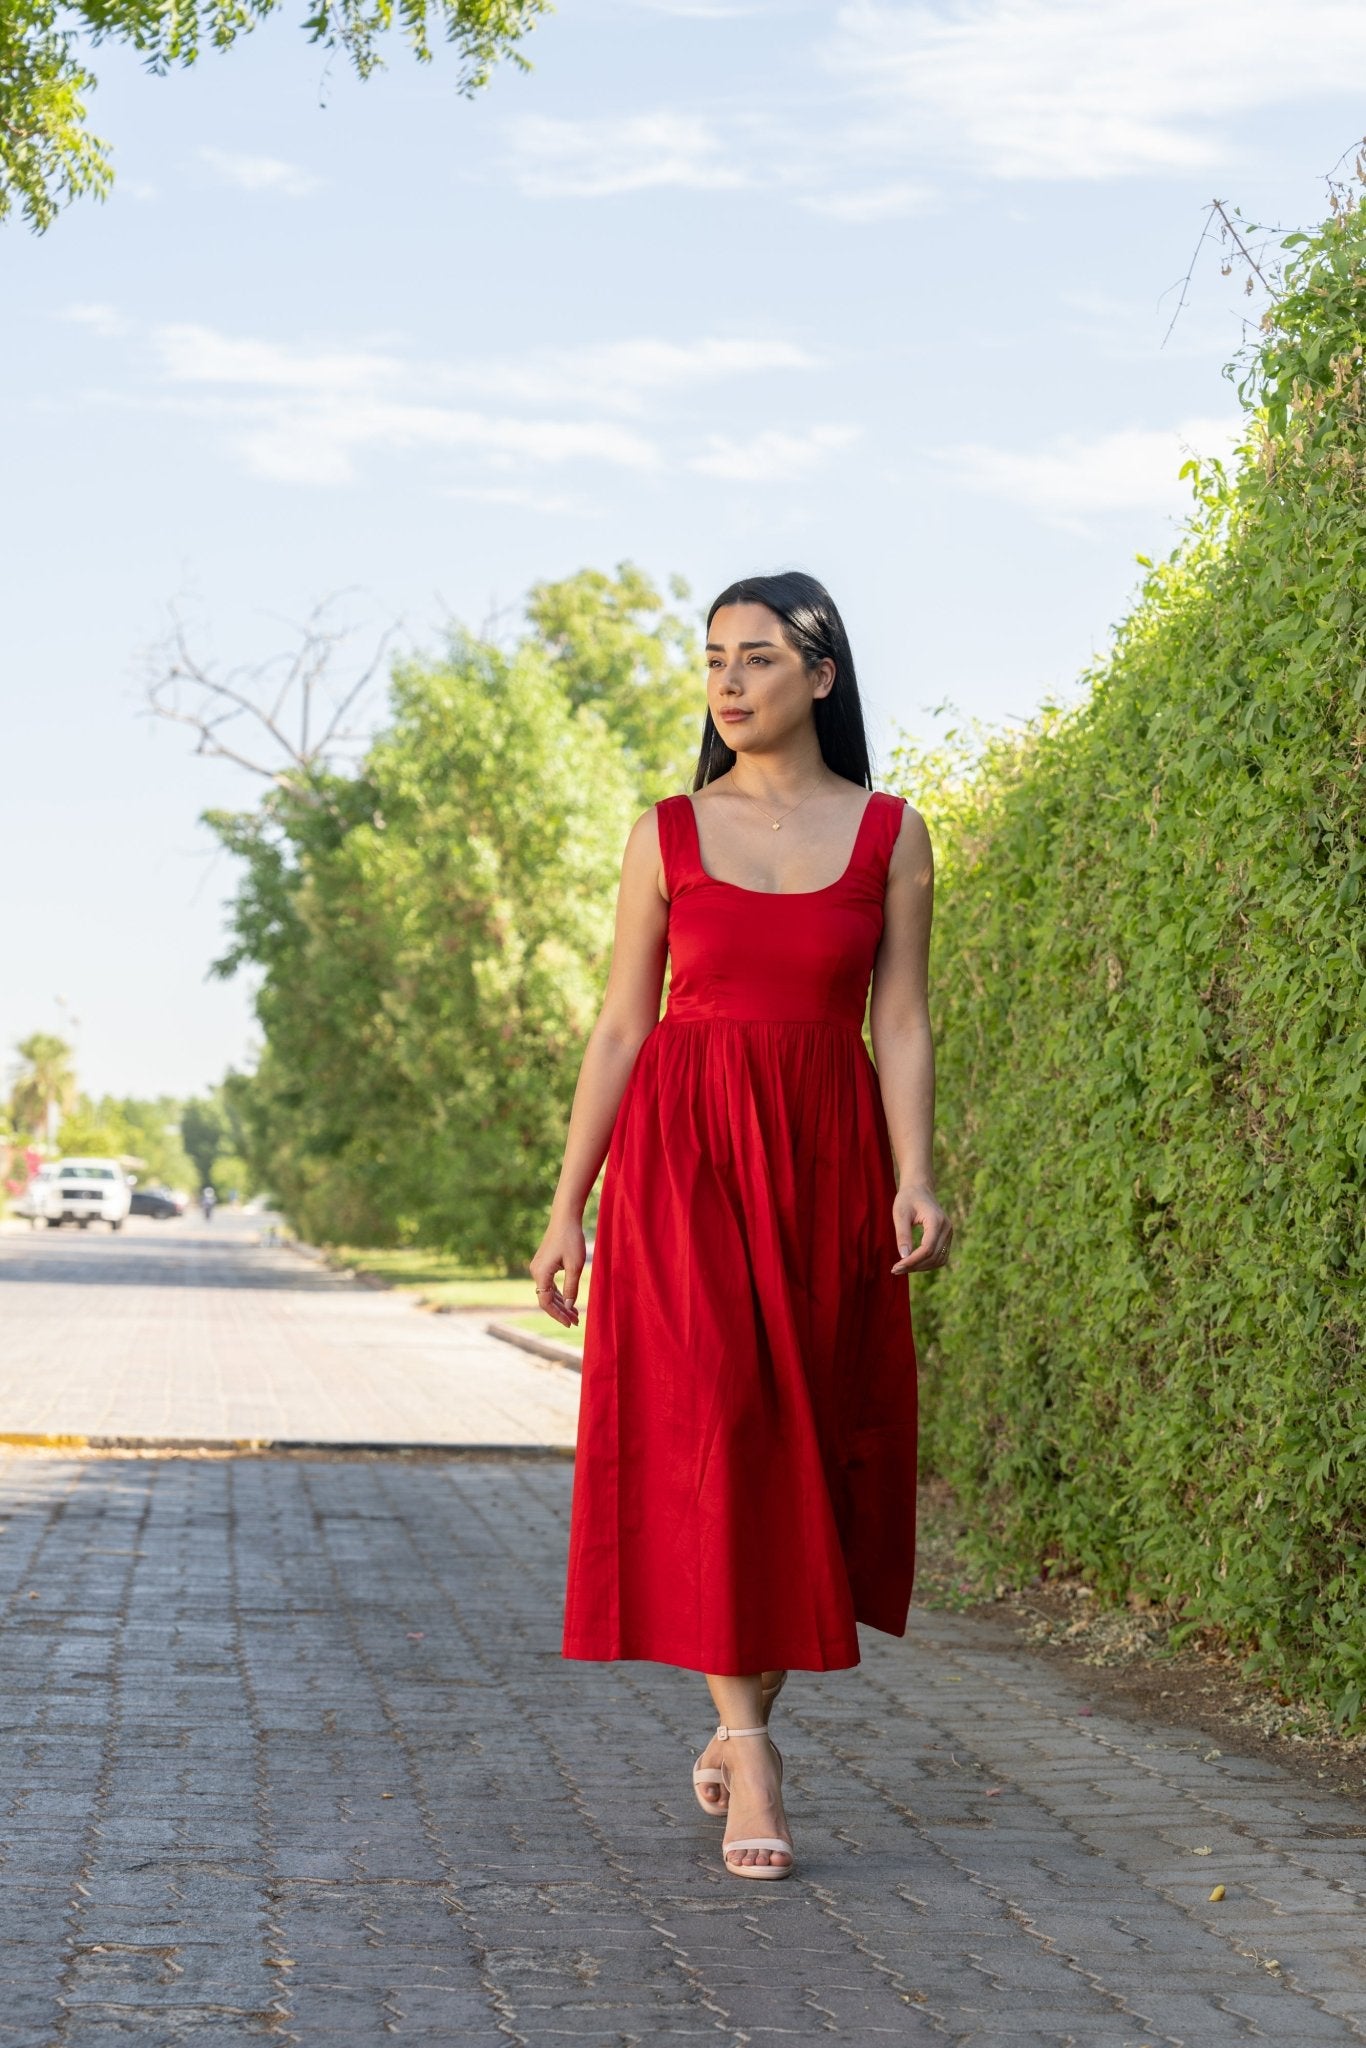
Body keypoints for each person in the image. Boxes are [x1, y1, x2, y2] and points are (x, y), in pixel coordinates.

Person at [531, 570, 952, 1882]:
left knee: (797, 1442)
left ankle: (741, 1719)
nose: (725, 680)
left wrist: (915, 1173)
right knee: (717, 1422)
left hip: (825, 1159)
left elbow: (899, 1021)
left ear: (819, 675)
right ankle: (749, 1746)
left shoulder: (892, 833)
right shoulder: (666, 832)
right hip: (686, 1159)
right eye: (711, 657)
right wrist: (567, 1206)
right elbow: (618, 1024)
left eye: (756, 657)